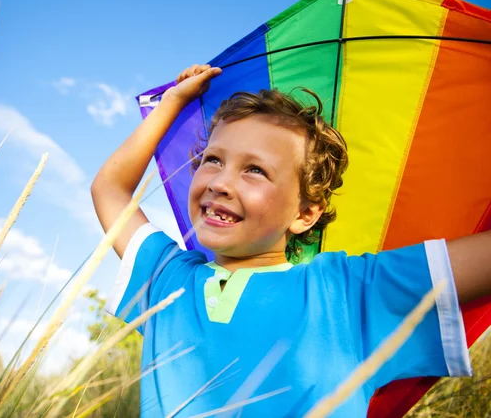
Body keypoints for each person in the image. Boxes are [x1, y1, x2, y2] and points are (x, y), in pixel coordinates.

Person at [91, 65, 491, 417]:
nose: (220, 183)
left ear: (305, 214)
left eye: (255, 170)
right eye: (213, 159)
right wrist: (173, 103)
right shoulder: (167, 279)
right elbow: (110, 188)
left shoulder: (349, 291)